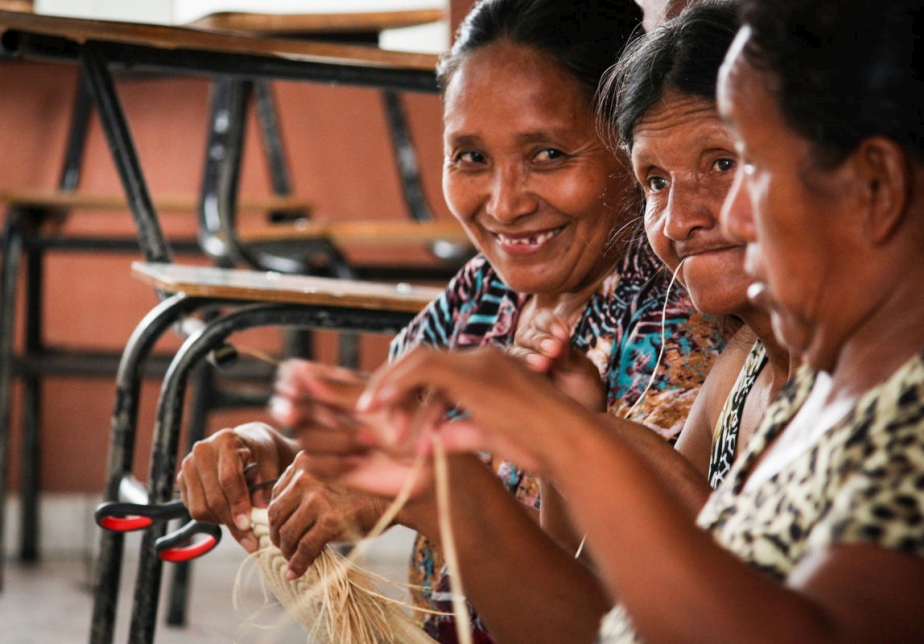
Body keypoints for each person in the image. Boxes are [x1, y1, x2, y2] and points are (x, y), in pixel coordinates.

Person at [340, 0, 924, 640]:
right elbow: (598, 629)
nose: (695, 219)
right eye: (655, 183)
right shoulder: (807, 381)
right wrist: (460, 483)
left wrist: (570, 445)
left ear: (876, 185)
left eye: (745, 165)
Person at [177, 0, 722, 640]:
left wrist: (430, 496)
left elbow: (618, 620)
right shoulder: (484, 293)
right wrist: (271, 456)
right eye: (470, 158)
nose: (505, 203)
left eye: (547, 154)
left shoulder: (676, 323)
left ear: (629, 151)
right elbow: (383, 447)